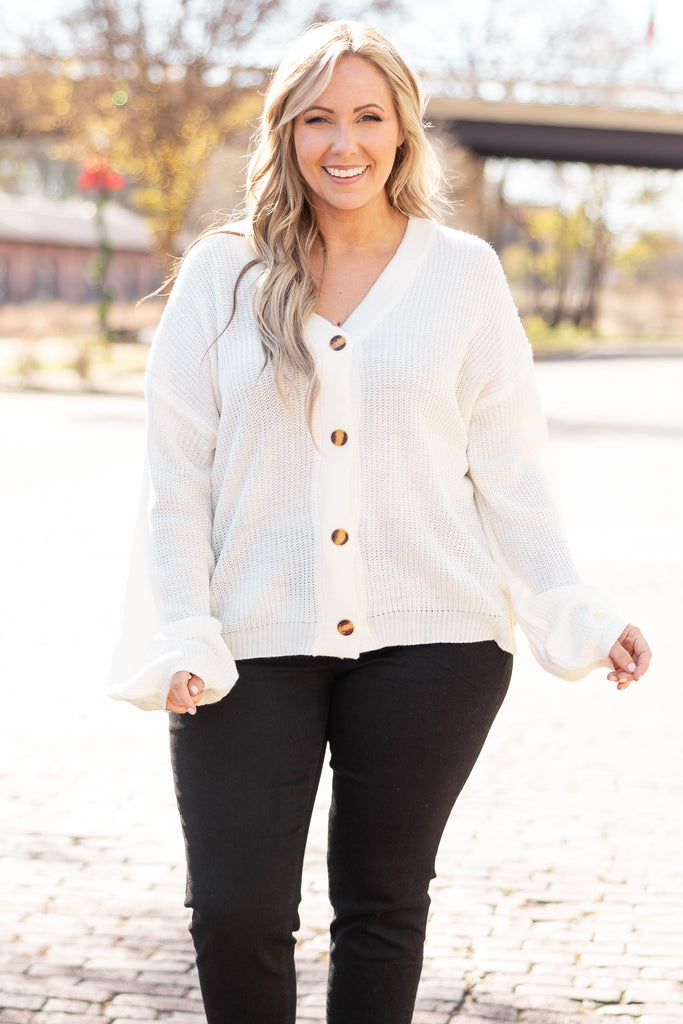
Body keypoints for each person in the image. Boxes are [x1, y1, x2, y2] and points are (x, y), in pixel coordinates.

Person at [108, 19, 651, 1024]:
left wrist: (569, 612)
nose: (342, 143)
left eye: (367, 116)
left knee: (383, 908)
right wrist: (181, 624)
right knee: (233, 911)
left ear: (404, 133)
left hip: (434, 646)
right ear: (284, 132)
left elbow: (509, 472)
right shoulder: (219, 276)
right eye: (316, 118)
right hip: (242, 643)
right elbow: (175, 476)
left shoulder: (463, 275)